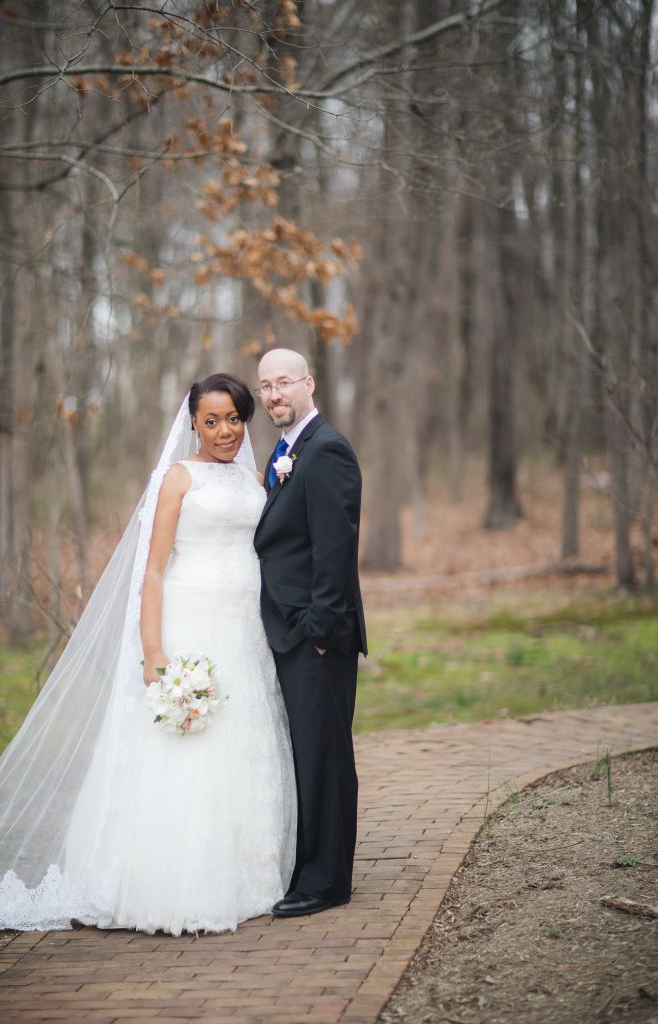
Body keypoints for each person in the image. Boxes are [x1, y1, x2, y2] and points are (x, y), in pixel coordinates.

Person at [0, 374, 296, 936]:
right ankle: (177, 885)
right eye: (212, 420)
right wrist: (153, 651)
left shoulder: (252, 476)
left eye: (235, 419)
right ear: (192, 423)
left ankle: (251, 877)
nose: (225, 430)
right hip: (191, 622)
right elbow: (151, 568)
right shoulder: (177, 479)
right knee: (189, 744)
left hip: (245, 630)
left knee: (245, 742)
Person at [254, 349, 367, 918]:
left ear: (309, 383)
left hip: (315, 635)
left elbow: (335, 549)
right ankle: (312, 867)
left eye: (284, 383)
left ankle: (326, 882)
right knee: (309, 752)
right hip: (293, 632)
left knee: (324, 754)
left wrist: (320, 631)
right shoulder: (287, 451)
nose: (274, 394)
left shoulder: (325, 451)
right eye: (266, 386)